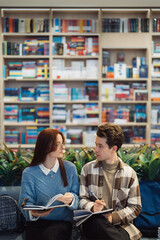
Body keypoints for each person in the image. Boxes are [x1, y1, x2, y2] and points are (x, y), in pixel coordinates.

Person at [79, 123, 142, 240]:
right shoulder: (87, 169)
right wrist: (93, 207)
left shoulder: (129, 173)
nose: (95, 149)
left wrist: (112, 218)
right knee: (97, 222)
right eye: (95, 145)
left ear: (114, 149)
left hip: (121, 226)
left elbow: (135, 207)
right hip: (94, 224)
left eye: (100, 146)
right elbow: (81, 199)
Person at [19, 128, 79, 240]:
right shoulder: (29, 173)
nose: (63, 148)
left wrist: (71, 198)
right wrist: (35, 213)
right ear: (46, 146)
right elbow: (24, 204)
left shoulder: (70, 168)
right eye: (58, 144)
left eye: (63, 144)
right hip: (37, 223)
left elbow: (77, 197)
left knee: (51, 236)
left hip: (62, 223)